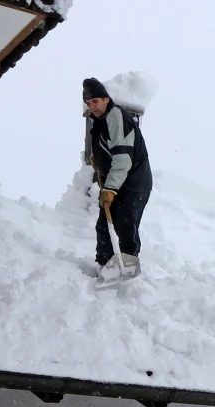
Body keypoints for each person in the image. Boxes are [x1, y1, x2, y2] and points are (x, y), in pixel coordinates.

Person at [83, 77, 152, 278]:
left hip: (134, 182)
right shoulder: (100, 123)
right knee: (104, 226)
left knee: (125, 225)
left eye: (95, 101)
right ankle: (106, 270)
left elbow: (122, 160)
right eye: (88, 103)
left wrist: (110, 189)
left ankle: (128, 276)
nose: (92, 107)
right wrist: (98, 159)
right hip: (118, 182)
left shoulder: (116, 117)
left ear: (106, 99)